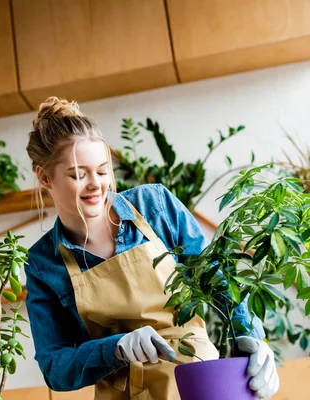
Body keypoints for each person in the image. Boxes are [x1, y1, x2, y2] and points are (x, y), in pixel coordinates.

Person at [24, 97, 279, 399]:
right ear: (44, 177)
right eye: (79, 175)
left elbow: (216, 278)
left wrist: (251, 339)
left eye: (103, 171)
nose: (96, 184)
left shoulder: (154, 205)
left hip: (196, 382)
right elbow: (55, 366)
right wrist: (116, 347)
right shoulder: (43, 263)